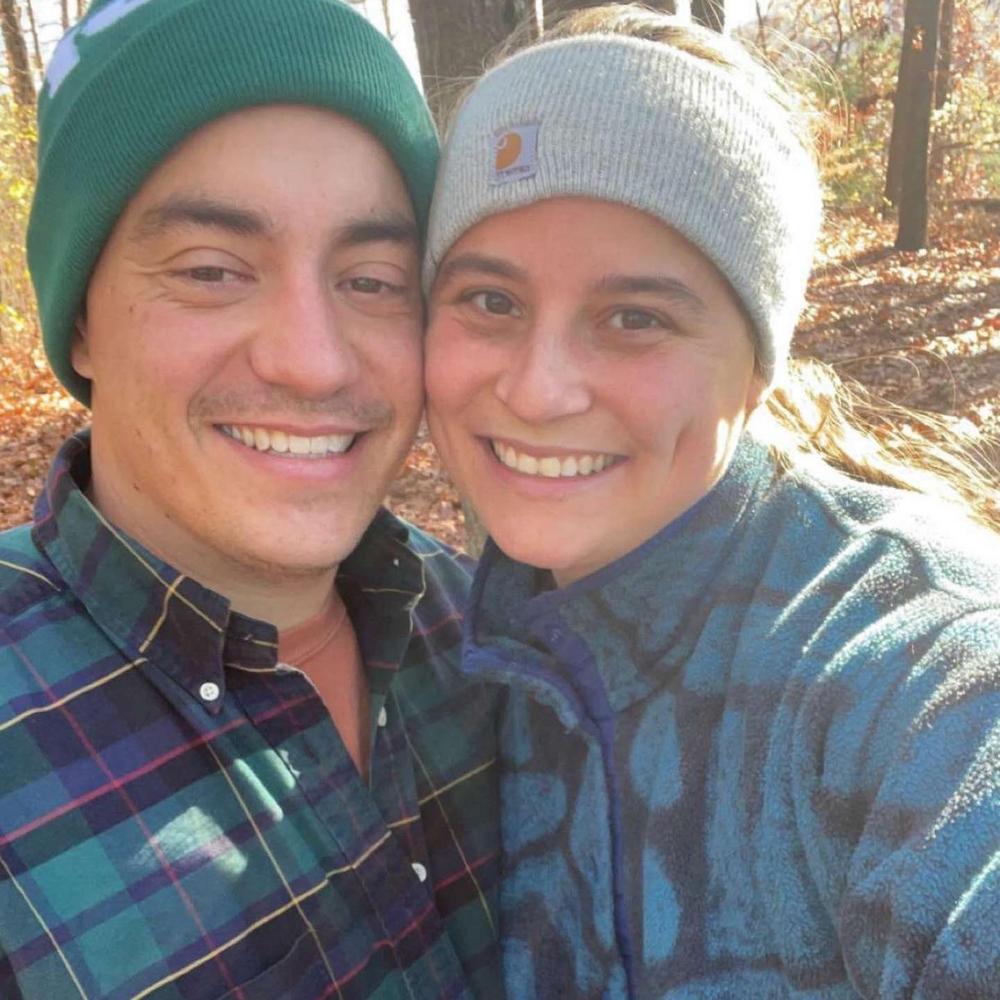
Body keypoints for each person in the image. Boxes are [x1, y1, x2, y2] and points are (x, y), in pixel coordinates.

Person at [422, 6, 1000, 998]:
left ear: (758, 366)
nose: (537, 388)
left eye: (633, 317)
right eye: (490, 301)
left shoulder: (908, 673)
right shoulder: (456, 653)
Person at [0, 1, 501, 996]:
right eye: (211, 271)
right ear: (82, 321)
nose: (312, 361)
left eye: (374, 279)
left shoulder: (499, 641)